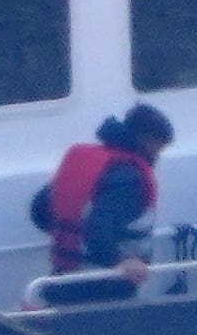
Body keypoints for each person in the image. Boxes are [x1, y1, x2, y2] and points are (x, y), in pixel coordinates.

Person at [36, 104, 173, 304]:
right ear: (147, 140)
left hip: (63, 280)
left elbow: (39, 211)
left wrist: (69, 236)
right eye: (158, 147)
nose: (158, 155)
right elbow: (98, 229)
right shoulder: (130, 178)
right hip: (105, 289)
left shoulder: (89, 163)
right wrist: (121, 261)